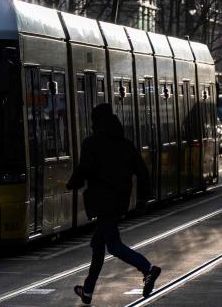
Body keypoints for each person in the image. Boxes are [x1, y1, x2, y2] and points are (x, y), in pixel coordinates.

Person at [67, 103, 161, 305]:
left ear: (95, 122)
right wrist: (143, 198)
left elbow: (83, 169)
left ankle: (148, 269)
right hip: (119, 202)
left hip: (102, 203)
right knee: (98, 246)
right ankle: (88, 291)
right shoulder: (125, 144)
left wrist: (72, 183)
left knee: (114, 246)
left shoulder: (91, 143)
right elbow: (142, 172)